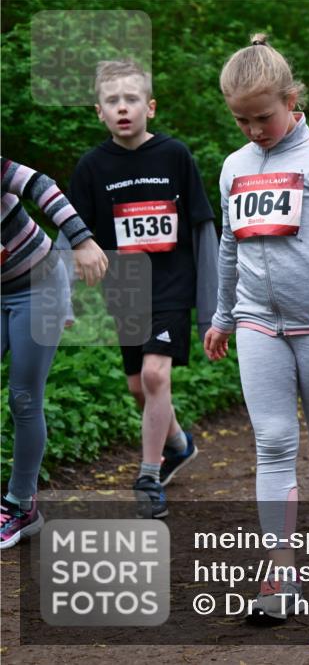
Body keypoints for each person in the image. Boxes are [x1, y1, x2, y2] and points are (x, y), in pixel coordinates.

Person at [204, 34, 309, 626]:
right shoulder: (233, 167)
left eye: (263, 117)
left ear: (291, 98)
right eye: (241, 120)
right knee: (274, 441)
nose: (253, 130)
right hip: (257, 321)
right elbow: (230, 246)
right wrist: (224, 314)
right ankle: (280, 572)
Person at [68, 59, 217, 518]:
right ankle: (177, 444)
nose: (123, 108)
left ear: (149, 107)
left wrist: (211, 308)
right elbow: (73, 232)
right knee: (138, 385)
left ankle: (149, 477)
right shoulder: (92, 166)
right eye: (112, 101)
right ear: (99, 112)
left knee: (156, 375)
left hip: (172, 284)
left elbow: (202, 228)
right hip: (126, 291)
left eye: (131, 99)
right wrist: (66, 294)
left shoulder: (175, 155)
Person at [1, 157, 108, 548]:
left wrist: (81, 239)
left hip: (39, 288)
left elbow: (41, 185)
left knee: (23, 398)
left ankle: (21, 504)